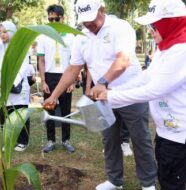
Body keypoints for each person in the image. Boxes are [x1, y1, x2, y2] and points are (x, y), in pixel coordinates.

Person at [43, 0, 157, 189]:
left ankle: (148, 183)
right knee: (109, 139)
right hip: (104, 99)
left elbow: (124, 59)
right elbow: (73, 69)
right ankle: (114, 180)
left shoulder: (120, 27)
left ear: (102, 10)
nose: (88, 24)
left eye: (91, 20)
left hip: (131, 93)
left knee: (140, 139)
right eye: (84, 21)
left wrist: (102, 82)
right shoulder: (81, 37)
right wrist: (54, 95)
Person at [96, 0, 186, 189]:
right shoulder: (165, 49)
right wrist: (114, 90)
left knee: (173, 182)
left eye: (154, 26)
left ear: (170, 23)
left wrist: (110, 97)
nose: (150, 30)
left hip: (180, 137)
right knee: (166, 177)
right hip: (166, 132)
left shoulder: (181, 51)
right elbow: (146, 77)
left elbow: (153, 89)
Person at [37, 4, 76, 153]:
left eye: (56, 19)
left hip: (66, 75)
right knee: (49, 109)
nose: (52, 22)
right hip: (50, 76)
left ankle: (66, 140)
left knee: (66, 110)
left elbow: (74, 61)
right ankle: (50, 140)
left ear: (62, 18)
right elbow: (41, 60)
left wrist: (72, 81)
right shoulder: (43, 36)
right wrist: (43, 80)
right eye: (50, 19)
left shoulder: (71, 37)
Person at [0, 21, 31, 152]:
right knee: (5, 115)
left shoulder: (21, 46)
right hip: (2, 87)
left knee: (20, 114)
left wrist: (11, 82)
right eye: (0, 32)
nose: (2, 35)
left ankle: (22, 141)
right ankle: (8, 141)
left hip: (17, 86)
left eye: (5, 32)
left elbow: (23, 66)